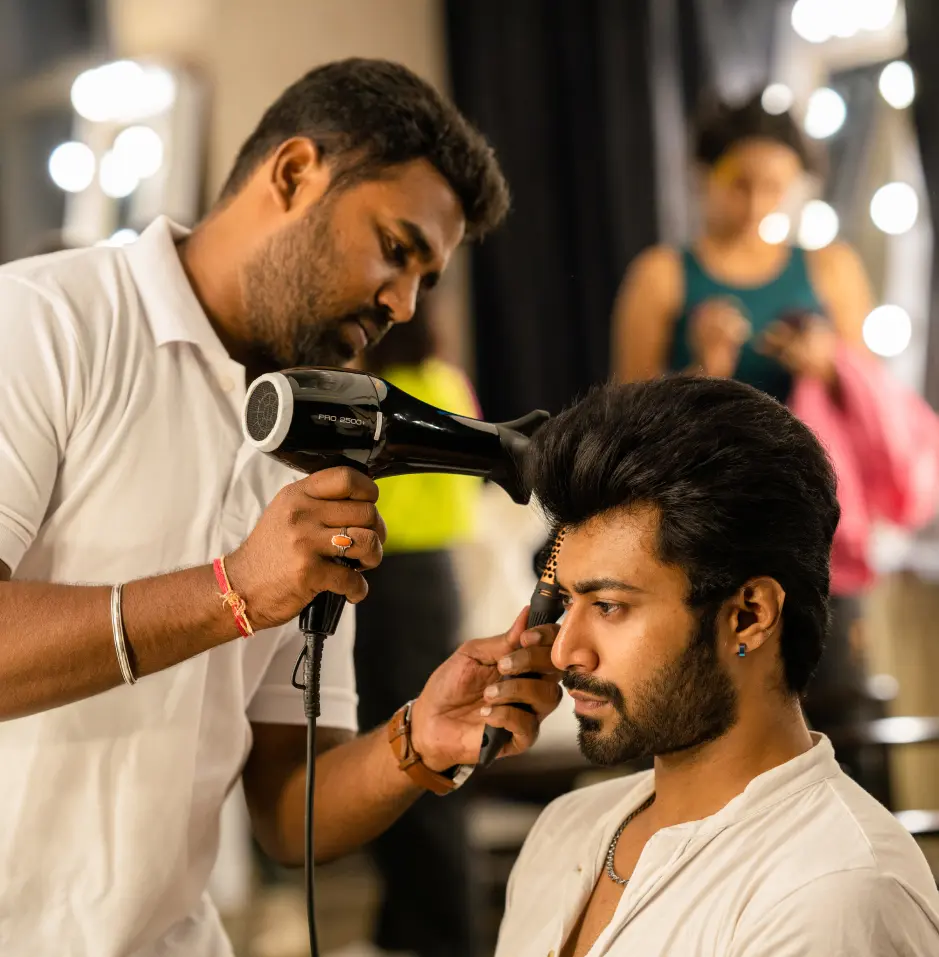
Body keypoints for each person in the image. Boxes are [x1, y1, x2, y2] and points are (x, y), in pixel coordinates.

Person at [0, 58, 563, 957]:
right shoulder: (42, 323)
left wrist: (419, 739)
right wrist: (232, 592)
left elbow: (289, 808)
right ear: (295, 172)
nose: (403, 302)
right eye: (396, 248)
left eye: (426, 278)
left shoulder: (321, 440)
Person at [495, 376, 939, 957]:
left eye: (608, 606)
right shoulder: (565, 829)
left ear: (749, 616)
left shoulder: (832, 895)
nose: (563, 652)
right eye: (567, 603)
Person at [610, 93, 881, 790]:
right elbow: (622, 431)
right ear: (704, 176)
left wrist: (826, 364)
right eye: (740, 182)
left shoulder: (829, 267)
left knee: (839, 711)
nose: (757, 201)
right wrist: (704, 371)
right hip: (704, 533)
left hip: (816, 529)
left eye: (775, 185)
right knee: (708, 711)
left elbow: (873, 404)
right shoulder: (662, 276)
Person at [353, 302, 483, 957]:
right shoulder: (446, 382)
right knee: (408, 756)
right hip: (429, 581)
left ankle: (438, 934)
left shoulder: (380, 396)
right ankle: (411, 927)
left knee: (407, 756)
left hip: (392, 584)